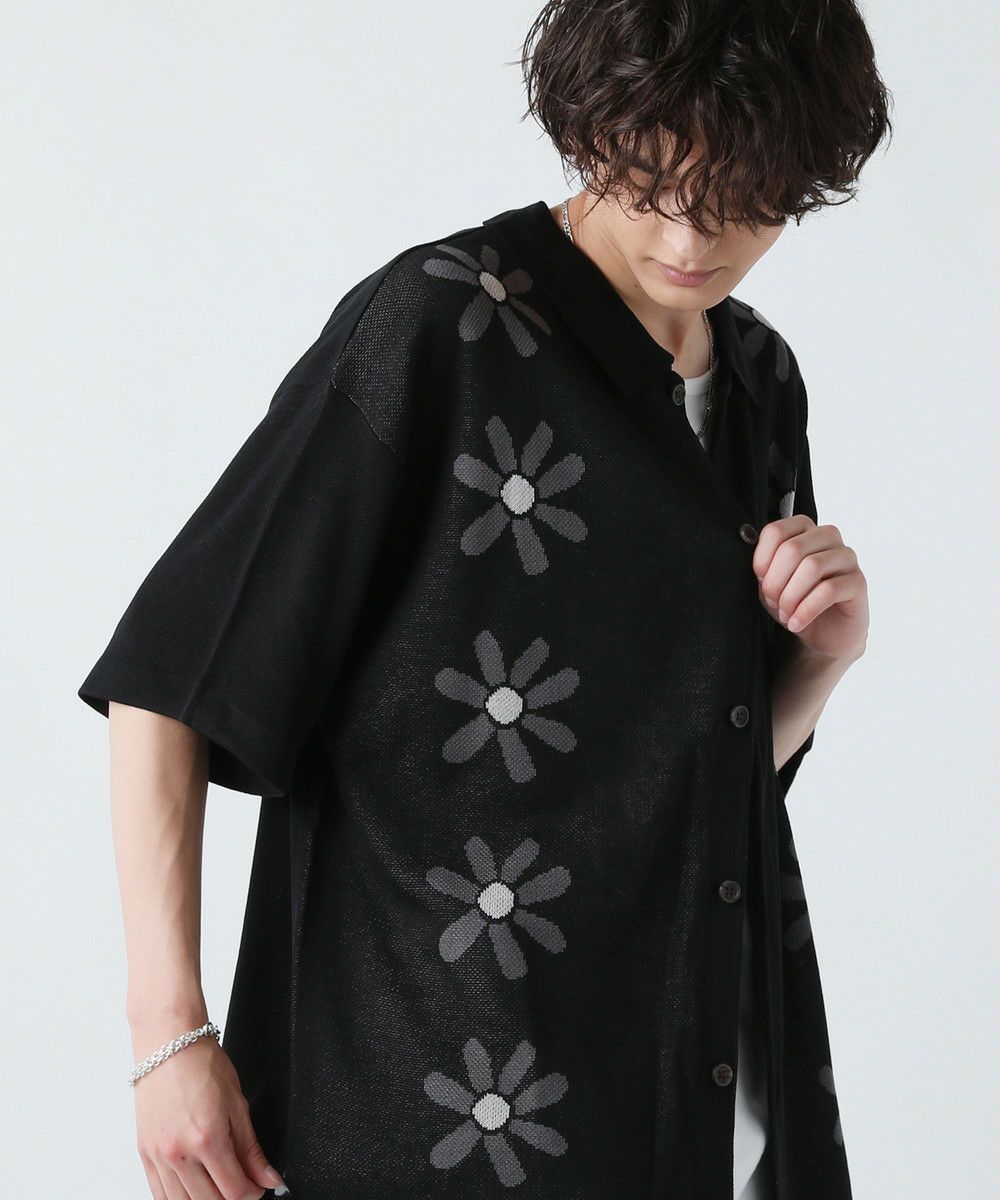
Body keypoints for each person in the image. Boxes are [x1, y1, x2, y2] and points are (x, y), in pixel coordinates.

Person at [78, 2, 890, 1197]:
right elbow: (174, 675)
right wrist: (169, 1037)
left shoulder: (760, 380)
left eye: (745, 198)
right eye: (650, 179)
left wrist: (819, 660)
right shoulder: (443, 324)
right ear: (589, 127)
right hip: (423, 1109)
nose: (690, 235)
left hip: (686, 1097)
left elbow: (681, 792)